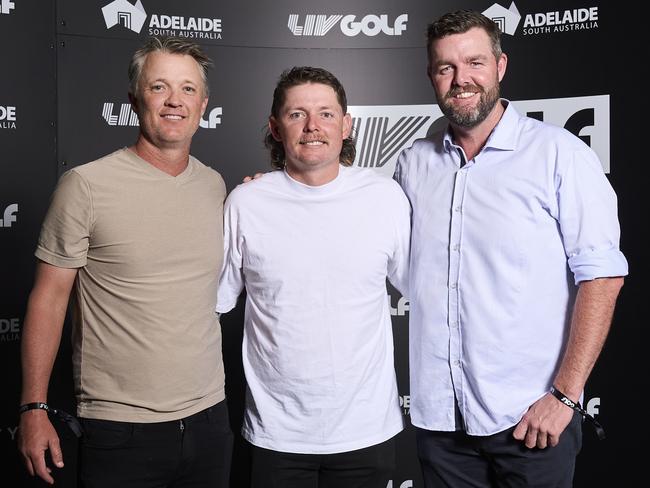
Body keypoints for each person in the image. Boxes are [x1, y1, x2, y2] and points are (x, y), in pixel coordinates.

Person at [393, 10, 628, 488]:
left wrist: (564, 397)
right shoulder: (414, 164)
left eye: (475, 63)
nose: (462, 80)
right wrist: (287, 193)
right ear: (431, 77)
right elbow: (373, 244)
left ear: (500, 66)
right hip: (441, 424)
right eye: (446, 68)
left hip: (532, 421)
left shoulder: (559, 154)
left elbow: (602, 277)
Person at [17, 36, 232, 487]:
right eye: (159, 87)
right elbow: (49, 298)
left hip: (210, 420)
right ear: (134, 99)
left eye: (188, 89)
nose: (175, 101)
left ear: (204, 104)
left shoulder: (215, 186)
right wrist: (33, 407)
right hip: (119, 429)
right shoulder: (86, 185)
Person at [217, 66, 411, 488]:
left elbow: (423, 287)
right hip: (277, 435)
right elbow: (216, 301)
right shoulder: (246, 203)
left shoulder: (385, 198)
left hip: (366, 431)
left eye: (325, 114)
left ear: (346, 126)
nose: (312, 127)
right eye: (296, 114)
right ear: (274, 127)